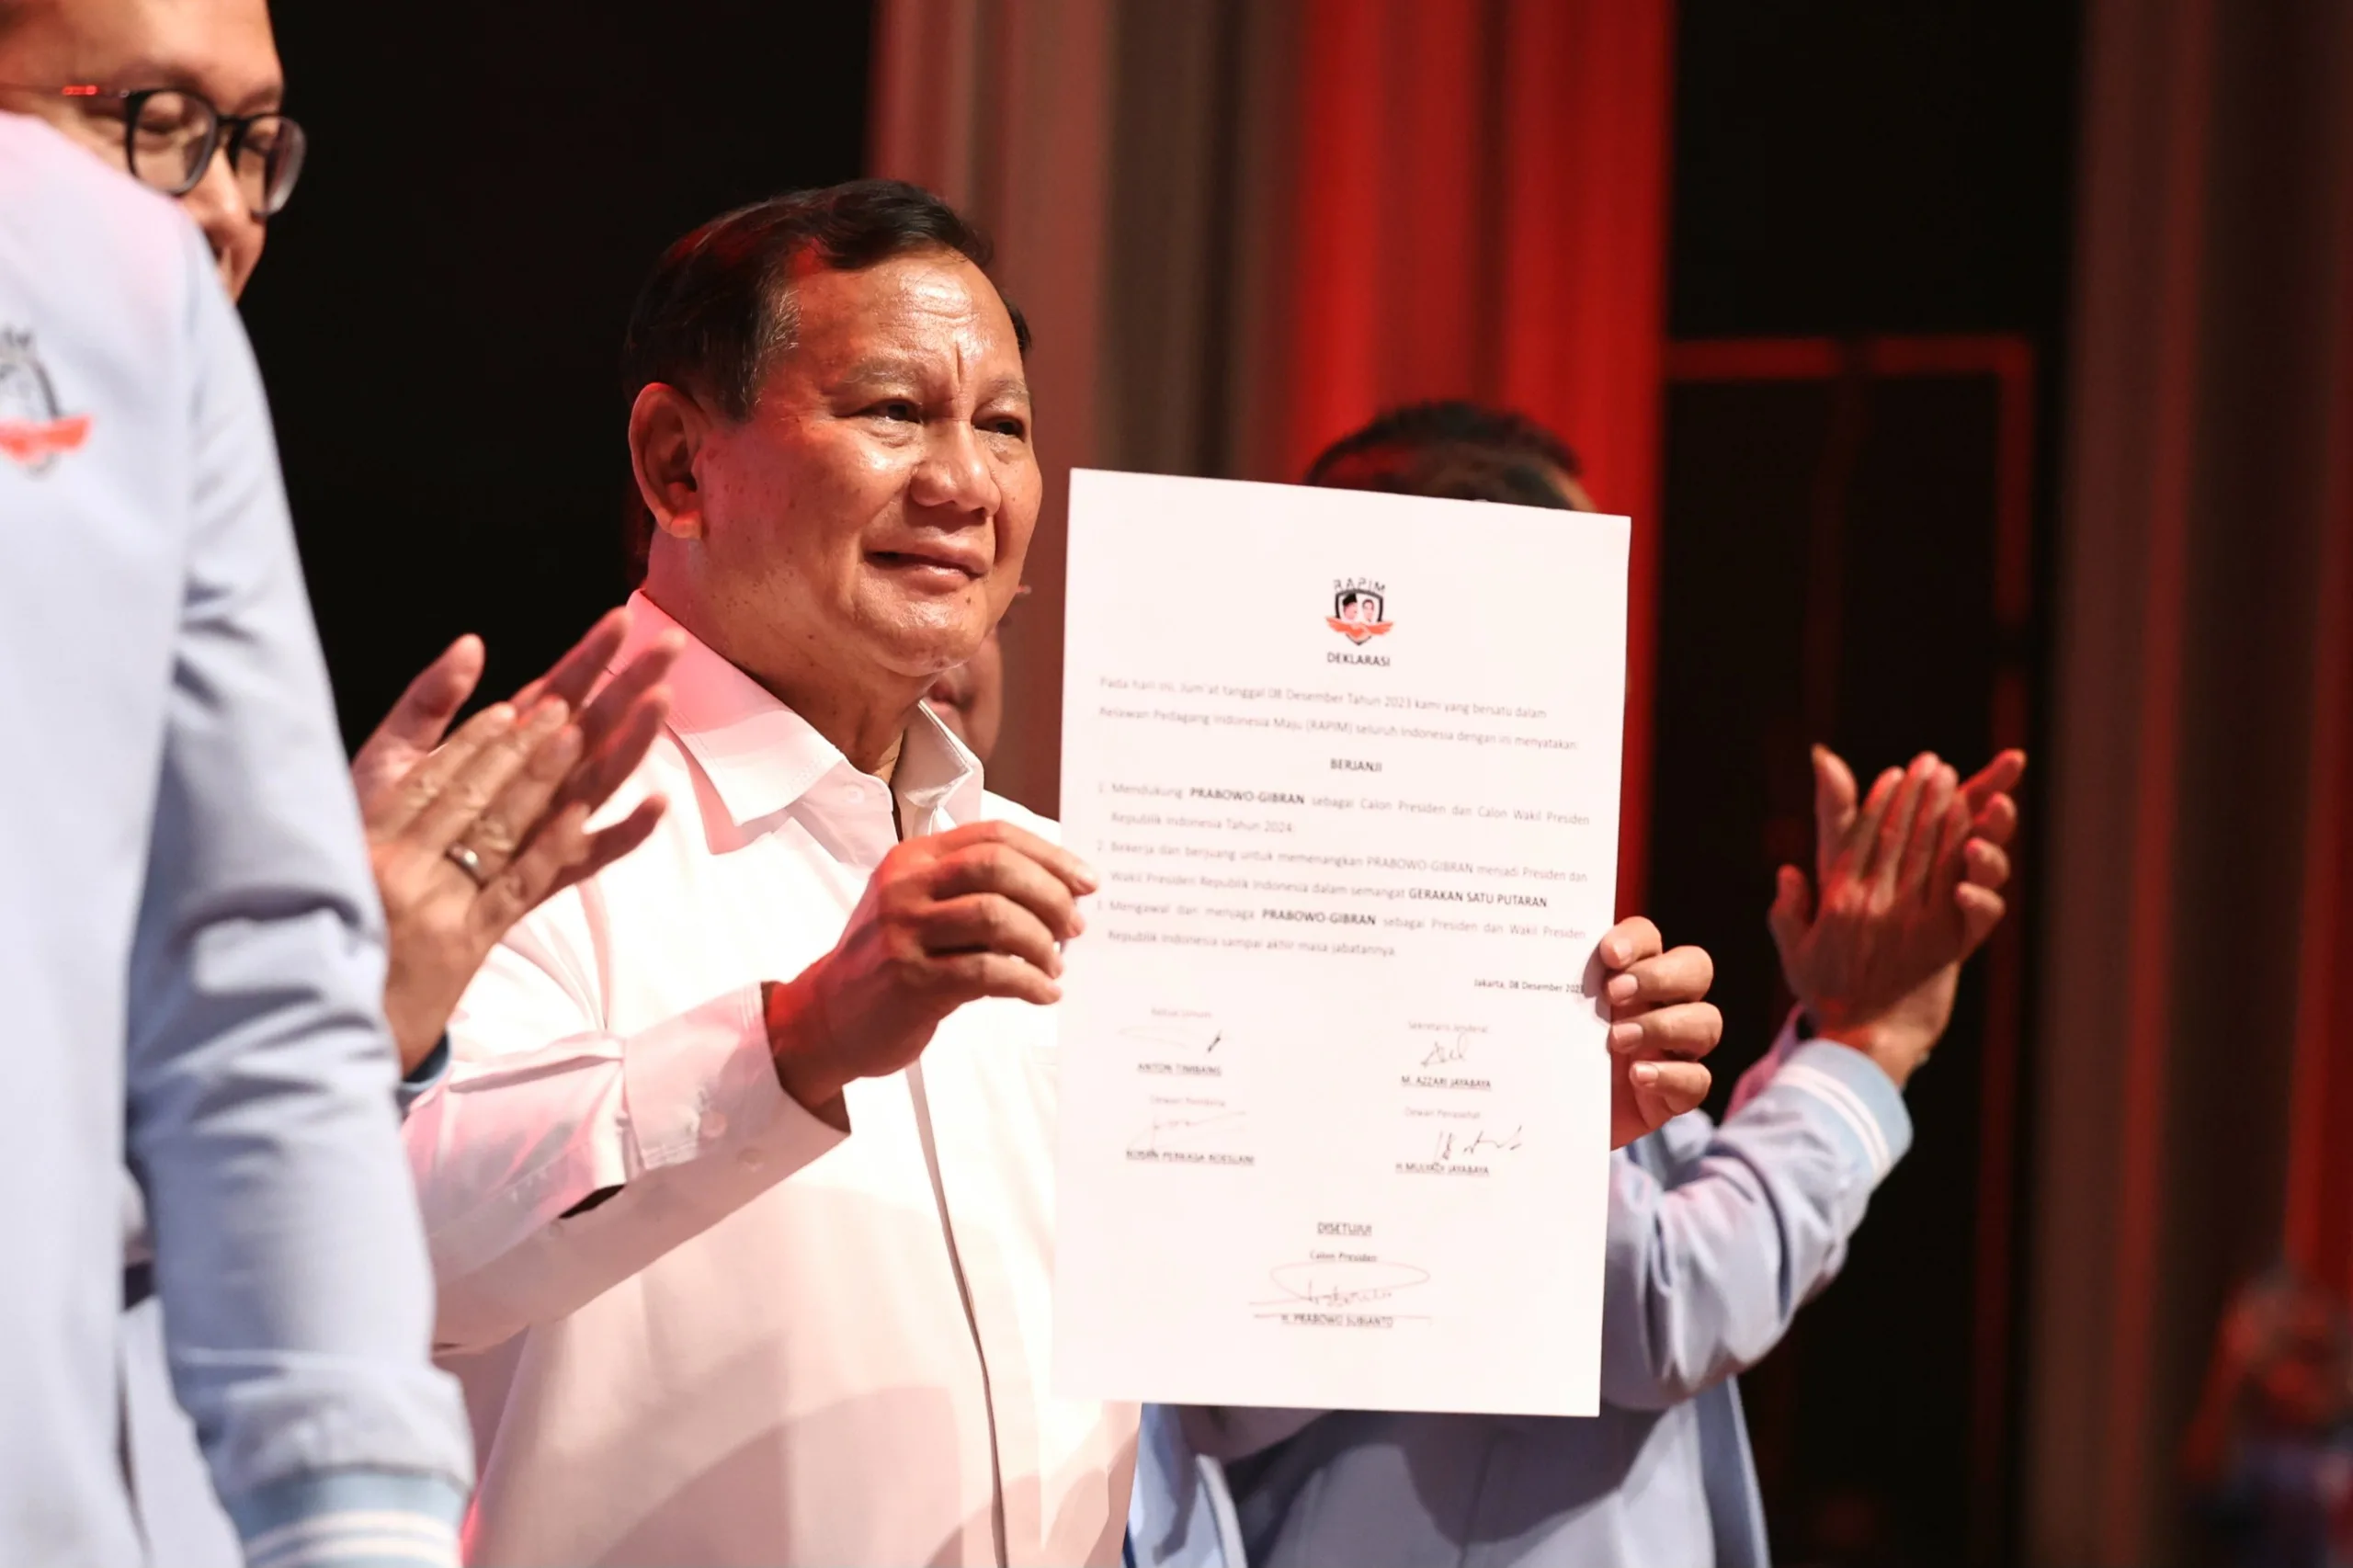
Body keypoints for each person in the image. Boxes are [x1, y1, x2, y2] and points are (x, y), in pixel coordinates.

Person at [404, 182, 1722, 1567]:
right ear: (678, 464)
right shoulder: (503, 829)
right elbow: (389, 1249)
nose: (965, 485)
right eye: (893, 411)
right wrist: (796, 1039)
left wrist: (1509, 1135)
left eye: (1005, 426)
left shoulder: (1073, 870)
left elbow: (1221, 1334)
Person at [1128, 401, 2027, 1568]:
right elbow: (1663, 1298)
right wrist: (1863, 1048)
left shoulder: (1463, 914)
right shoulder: (1333, 936)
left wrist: (1834, 1036)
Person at [0, 110, 473, 1566]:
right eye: (147, 121)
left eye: (253, 144)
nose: (219, 207)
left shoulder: (110, 287)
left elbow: (253, 1010)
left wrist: (359, 1523)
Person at [2181, 1267, 2353, 1565]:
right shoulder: (2258, 1458)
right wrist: (2230, 1369)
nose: (2317, 1376)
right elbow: (2205, 1483)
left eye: (2326, 1357)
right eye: (2304, 1356)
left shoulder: (2344, 1435)